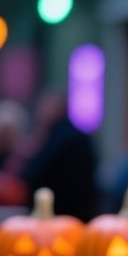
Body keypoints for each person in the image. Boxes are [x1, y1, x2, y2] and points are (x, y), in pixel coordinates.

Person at [21, 91, 100, 221]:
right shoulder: (74, 135)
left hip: (61, 213)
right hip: (76, 213)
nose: (40, 113)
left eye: (44, 107)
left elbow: (38, 172)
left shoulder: (61, 139)